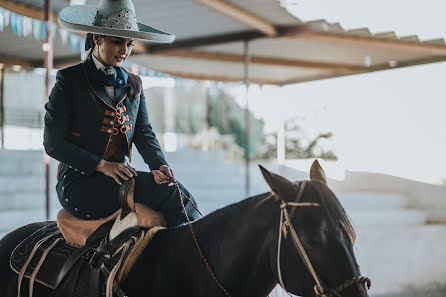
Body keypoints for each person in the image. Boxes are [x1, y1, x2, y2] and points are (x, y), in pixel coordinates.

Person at [44, 0, 200, 227]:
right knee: (170, 197)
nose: (124, 51)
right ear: (97, 38)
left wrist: (159, 165)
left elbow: (143, 132)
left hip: (120, 177)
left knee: (175, 190)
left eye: (129, 44)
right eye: (118, 42)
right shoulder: (70, 81)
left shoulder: (133, 83)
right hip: (80, 183)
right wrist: (102, 165)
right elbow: (53, 144)